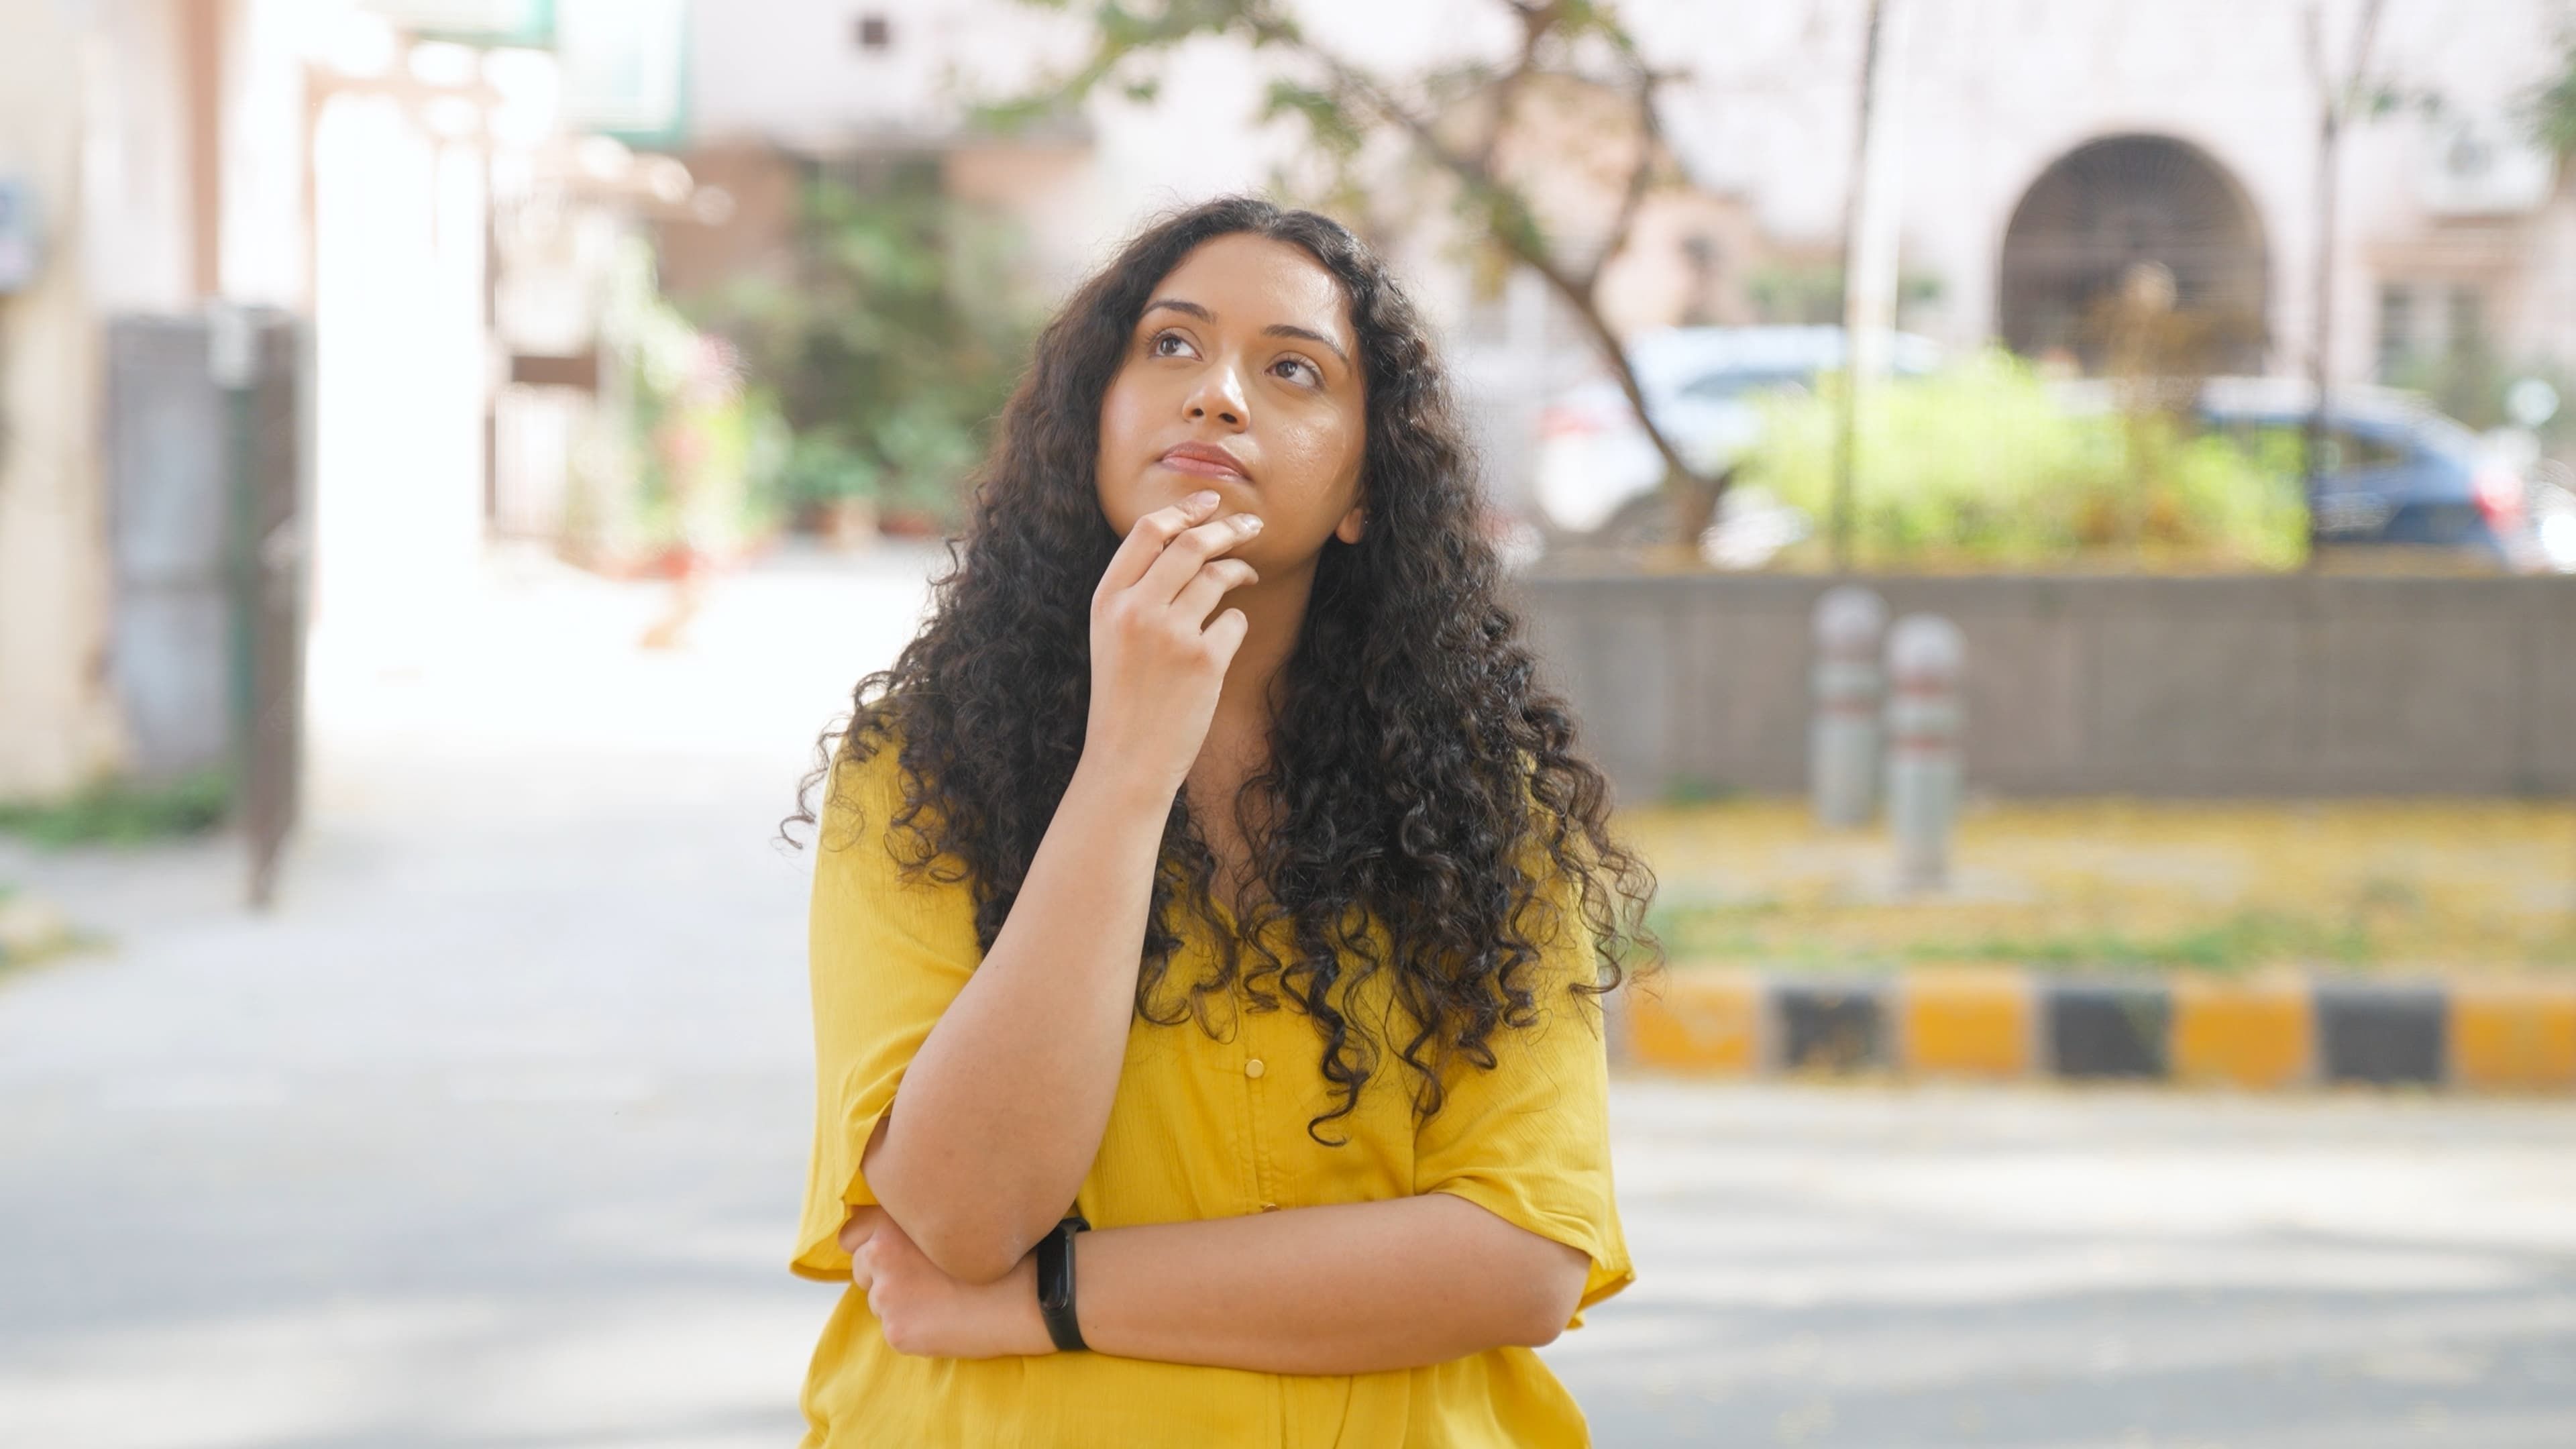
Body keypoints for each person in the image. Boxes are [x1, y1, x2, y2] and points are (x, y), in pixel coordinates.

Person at [784, 194, 1656, 1447]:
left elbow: (1521, 1261)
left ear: (1365, 489)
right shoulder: (920, 772)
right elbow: (961, 1214)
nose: (1219, 395)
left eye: (1293, 369)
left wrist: (1049, 1299)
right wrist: (1128, 767)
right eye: (1171, 346)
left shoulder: (1482, 811)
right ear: (1093, 417)